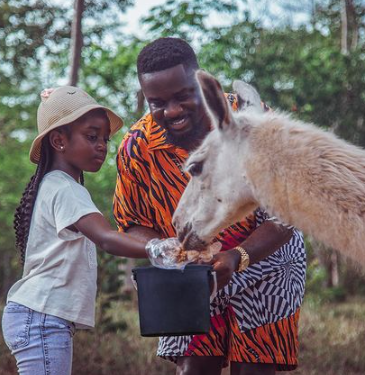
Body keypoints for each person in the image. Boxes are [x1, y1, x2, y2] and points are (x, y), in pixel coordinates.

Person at [113, 37, 306, 375]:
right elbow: (131, 221)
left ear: (203, 83)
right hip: (189, 273)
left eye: (183, 96)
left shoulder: (252, 122)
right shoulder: (138, 149)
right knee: (194, 367)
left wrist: (237, 257)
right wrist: (160, 248)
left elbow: (285, 216)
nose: (171, 111)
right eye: (157, 103)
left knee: (255, 368)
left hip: (268, 261)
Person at [1, 86, 167, 375]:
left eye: (104, 138)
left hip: (39, 316)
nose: (102, 145)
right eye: (92, 137)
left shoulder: (58, 186)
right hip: (42, 316)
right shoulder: (65, 189)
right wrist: (159, 248)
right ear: (59, 140)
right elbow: (105, 237)